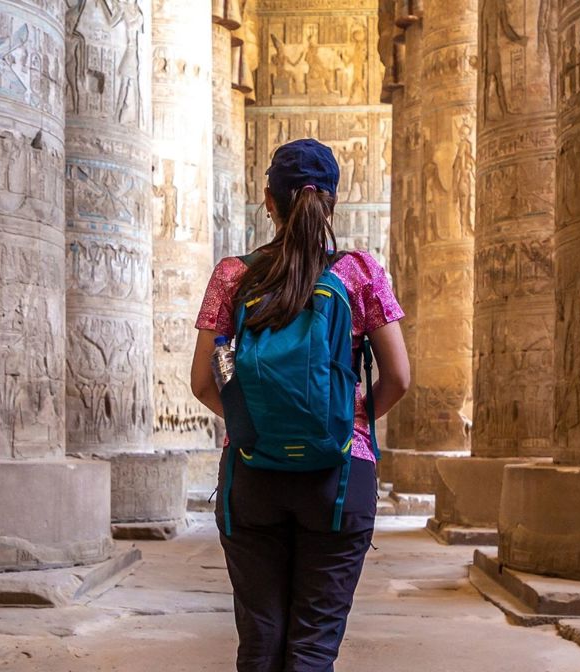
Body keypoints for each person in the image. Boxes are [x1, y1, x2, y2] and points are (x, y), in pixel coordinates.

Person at [190, 138, 412, 672]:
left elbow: (203, 382)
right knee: (313, 646)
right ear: (331, 201)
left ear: (270, 200)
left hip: (252, 470)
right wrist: (344, 419)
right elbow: (399, 378)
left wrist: (254, 420)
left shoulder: (232, 275)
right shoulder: (360, 273)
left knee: (260, 643)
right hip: (339, 475)